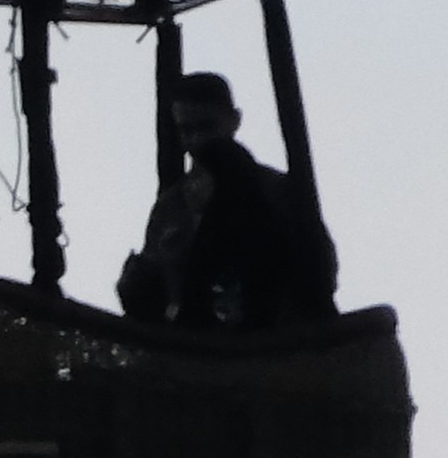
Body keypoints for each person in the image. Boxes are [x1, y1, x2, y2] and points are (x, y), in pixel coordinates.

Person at [120, 68, 342, 331]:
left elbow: (322, 270)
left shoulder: (278, 191)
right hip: (199, 342)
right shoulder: (171, 207)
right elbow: (157, 294)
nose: (197, 140)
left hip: (275, 337)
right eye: (186, 131)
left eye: (206, 127)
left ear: (234, 120)